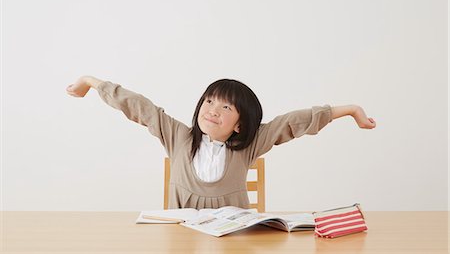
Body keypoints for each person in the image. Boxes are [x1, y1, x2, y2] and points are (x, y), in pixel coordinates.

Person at [66, 75, 376, 209]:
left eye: (226, 107)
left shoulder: (251, 144)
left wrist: (350, 111)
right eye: (210, 101)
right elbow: (138, 106)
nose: (213, 109)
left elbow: (293, 123)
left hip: (235, 243)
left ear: (240, 124)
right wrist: (91, 82)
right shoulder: (177, 136)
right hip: (183, 242)